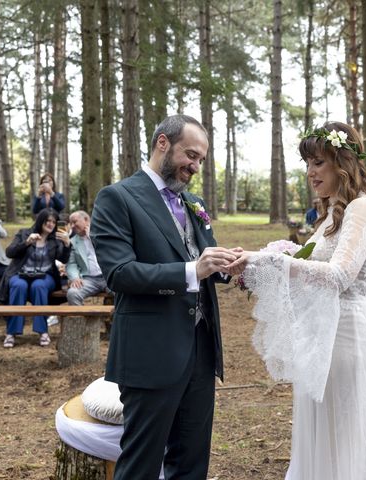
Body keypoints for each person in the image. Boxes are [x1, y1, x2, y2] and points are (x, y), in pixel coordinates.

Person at [226, 121, 366, 479]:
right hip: (325, 338)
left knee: (351, 437)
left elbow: (341, 275)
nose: (311, 173)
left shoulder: (361, 208)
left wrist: (273, 262)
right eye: (308, 164)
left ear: (342, 162)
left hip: (351, 336)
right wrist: (256, 258)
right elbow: (310, 259)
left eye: (318, 163)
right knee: (326, 437)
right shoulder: (332, 213)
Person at [91, 114, 238, 480]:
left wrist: (229, 267)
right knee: (142, 463)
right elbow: (119, 273)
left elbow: (205, 256)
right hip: (150, 352)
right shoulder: (117, 198)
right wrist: (193, 271)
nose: (195, 165)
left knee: (191, 461)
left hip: (201, 351)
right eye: (190, 155)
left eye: (201, 160)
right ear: (162, 143)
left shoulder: (195, 203)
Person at [0, 208, 71, 348]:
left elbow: (62, 258)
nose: (51, 224)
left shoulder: (56, 238)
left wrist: (66, 244)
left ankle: (42, 331)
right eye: (48, 221)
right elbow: (9, 253)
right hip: (20, 274)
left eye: (53, 222)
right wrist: (26, 242)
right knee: (18, 285)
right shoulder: (24, 233)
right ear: (41, 221)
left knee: (38, 286)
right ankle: (11, 332)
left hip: (45, 276)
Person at [65, 210, 108, 306]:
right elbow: (71, 263)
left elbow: (109, 251)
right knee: (72, 294)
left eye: (74, 222)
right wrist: (75, 277)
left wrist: (91, 237)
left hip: (108, 277)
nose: (72, 226)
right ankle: (86, 318)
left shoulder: (102, 234)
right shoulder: (73, 242)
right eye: (70, 223)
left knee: (123, 290)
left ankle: (118, 319)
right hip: (88, 280)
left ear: (86, 220)